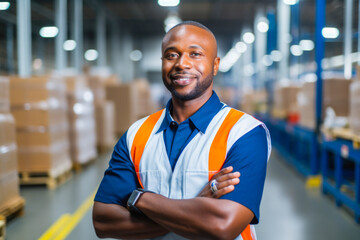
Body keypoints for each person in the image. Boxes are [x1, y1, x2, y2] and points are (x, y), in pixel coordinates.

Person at [93, 21, 271, 240]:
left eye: (195, 54)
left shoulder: (244, 132)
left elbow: (223, 225)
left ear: (215, 65)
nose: (182, 64)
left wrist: (140, 199)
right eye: (171, 55)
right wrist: (199, 204)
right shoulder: (135, 135)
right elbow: (103, 221)